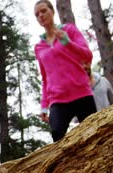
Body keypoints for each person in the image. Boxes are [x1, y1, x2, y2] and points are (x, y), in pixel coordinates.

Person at [34, 0, 97, 142]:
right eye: (37, 14)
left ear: (52, 11)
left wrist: (68, 43)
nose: (41, 15)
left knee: (93, 135)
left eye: (44, 11)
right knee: (56, 133)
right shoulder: (39, 47)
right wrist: (44, 106)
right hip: (58, 99)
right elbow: (45, 78)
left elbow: (87, 55)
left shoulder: (69, 30)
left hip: (81, 93)